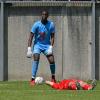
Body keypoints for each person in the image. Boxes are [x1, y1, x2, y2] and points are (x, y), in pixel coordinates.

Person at [27, 10, 56, 86]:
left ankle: (53, 77)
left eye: (46, 14)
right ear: (41, 15)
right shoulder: (36, 24)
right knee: (36, 57)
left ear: (48, 16)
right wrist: (29, 48)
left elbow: (52, 37)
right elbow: (31, 37)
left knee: (52, 60)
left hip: (47, 46)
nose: (44, 16)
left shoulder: (51, 25)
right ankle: (32, 79)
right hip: (38, 45)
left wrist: (51, 47)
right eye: (43, 14)